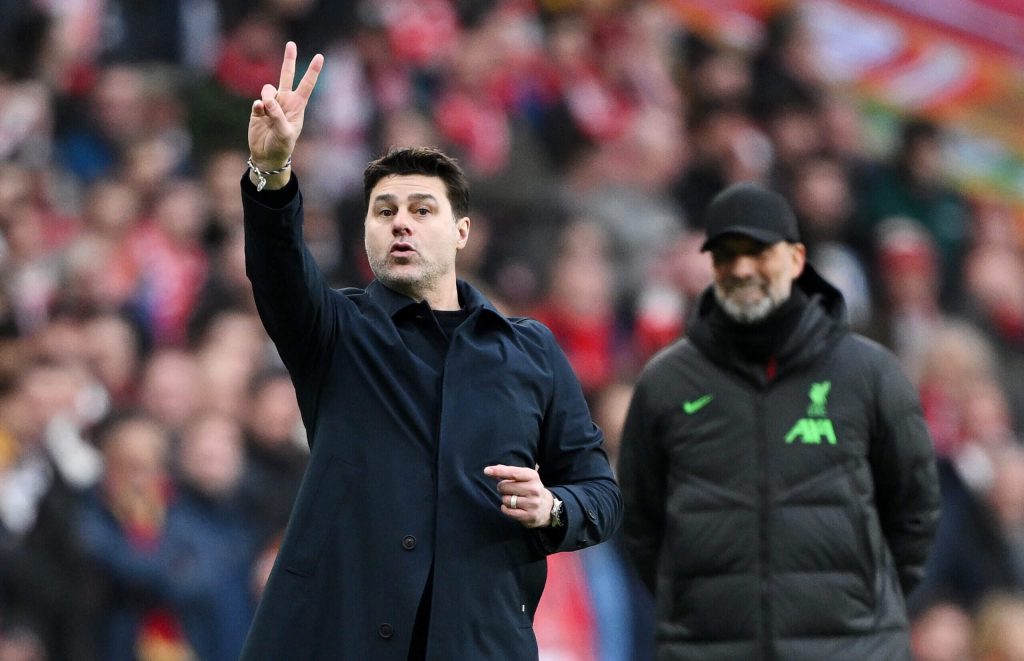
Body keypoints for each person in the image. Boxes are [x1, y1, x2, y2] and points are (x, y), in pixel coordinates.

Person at [238, 42, 621, 660]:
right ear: (366, 233)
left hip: (479, 644)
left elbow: (600, 492)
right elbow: (277, 266)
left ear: (462, 231)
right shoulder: (334, 330)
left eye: (422, 209)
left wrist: (553, 507)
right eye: (384, 211)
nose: (401, 223)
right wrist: (272, 172)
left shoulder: (530, 350)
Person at [618, 181, 940, 660]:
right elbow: (640, 522)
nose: (742, 268)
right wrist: (695, 610)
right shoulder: (666, 383)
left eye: (758, 252)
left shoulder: (869, 374)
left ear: (796, 258)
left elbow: (916, 510)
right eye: (727, 255)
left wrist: (863, 606)